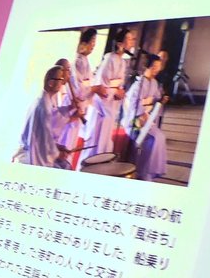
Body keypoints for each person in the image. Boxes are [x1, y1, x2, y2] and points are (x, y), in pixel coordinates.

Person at [18, 65, 81, 168]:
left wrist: (70, 108)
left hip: (33, 148)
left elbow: (54, 115)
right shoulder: (43, 106)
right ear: (51, 83)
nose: (62, 83)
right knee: (65, 167)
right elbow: (45, 139)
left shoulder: (45, 99)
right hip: (31, 155)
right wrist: (57, 153)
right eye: (60, 79)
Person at [90, 27, 136, 156]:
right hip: (102, 106)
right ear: (120, 43)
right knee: (99, 140)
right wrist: (115, 92)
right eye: (128, 38)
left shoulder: (122, 61)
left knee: (106, 140)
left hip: (111, 104)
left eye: (132, 39)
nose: (131, 41)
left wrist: (120, 91)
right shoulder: (110, 58)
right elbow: (102, 85)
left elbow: (118, 84)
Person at [125, 53, 170, 181]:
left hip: (147, 119)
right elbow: (133, 105)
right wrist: (141, 116)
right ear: (147, 67)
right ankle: (142, 171)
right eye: (154, 67)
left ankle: (149, 171)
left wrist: (161, 100)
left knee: (160, 137)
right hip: (136, 121)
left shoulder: (154, 83)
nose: (156, 70)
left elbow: (156, 99)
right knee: (152, 139)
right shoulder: (138, 85)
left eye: (158, 67)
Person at [68, 28, 98, 167]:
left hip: (82, 105)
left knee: (73, 141)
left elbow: (87, 85)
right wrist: (94, 89)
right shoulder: (78, 61)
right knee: (67, 140)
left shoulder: (85, 61)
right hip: (73, 105)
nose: (93, 45)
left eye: (94, 42)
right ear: (84, 43)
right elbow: (79, 89)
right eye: (92, 41)